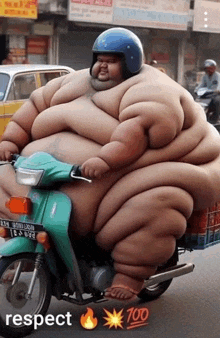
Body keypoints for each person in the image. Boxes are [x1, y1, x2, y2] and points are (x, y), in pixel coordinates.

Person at [0, 27, 220, 301]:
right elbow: (32, 108)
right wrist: (11, 140)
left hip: (130, 180)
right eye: (99, 59)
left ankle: (131, 272)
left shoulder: (152, 88)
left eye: (112, 60)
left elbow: (141, 129)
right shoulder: (71, 82)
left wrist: (105, 160)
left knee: (155, 203)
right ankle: (24, 256)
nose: (102, 66)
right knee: (4, 181)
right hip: (49, 176)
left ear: (128, 62)